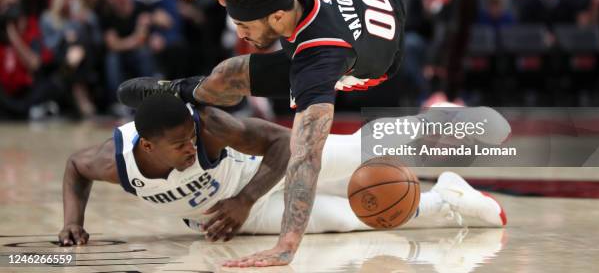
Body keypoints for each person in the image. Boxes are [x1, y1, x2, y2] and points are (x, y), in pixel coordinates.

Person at [118, 0, 477, 266]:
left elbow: (306, 157)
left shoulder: (316, 62)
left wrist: (286, 245)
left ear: (275, 17)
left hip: (374, 58)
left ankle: (182, 90)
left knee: (239, 72)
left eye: (246, 27)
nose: (243, 33)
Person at [59, 94, 506, 247]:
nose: (191, 146)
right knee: (351, 219)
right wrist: (72, 224)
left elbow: (277, 141)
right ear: (149, 146)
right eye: (180, 145)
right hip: (234, 216)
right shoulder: (113, 162)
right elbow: (74, 167)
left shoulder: (212, 126)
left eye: (191, 135)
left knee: (356, 150)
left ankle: (437, 118)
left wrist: (244, 198)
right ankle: (446, 201)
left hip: (267, 171)